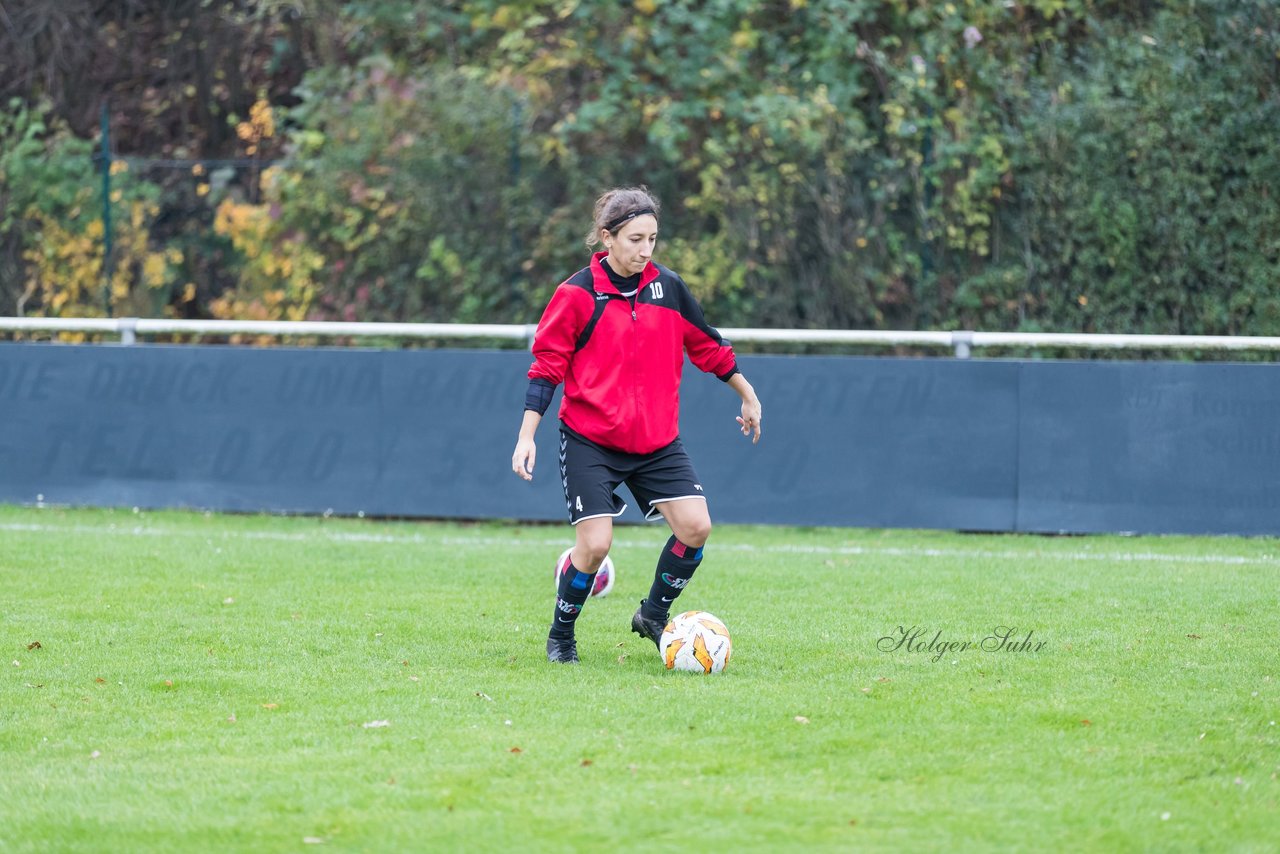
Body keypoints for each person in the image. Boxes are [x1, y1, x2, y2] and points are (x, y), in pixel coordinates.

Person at [511, 186, 763, 664]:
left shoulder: (668, 288)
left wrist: (746, 393)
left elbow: (707, 346)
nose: (646, 250)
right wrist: (527, 435)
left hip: (656, 442)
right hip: (590, 440)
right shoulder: (576, 295)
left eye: (652, 239)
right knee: (595, 544)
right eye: (635, 239)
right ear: (607, 238)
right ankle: (561, 635)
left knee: (696, 527)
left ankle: (653, 613)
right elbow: (546, 368)